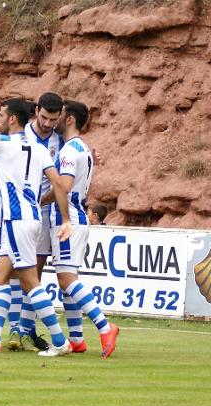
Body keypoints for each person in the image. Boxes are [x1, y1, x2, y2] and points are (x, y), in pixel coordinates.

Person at [0, 89, 74, 357]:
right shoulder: (40, 149)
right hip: (30, 219)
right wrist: (65, 219)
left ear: (12, 120)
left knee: (30, 283)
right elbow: (57, 183)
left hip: (16, 220)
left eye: (0, 115)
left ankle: (60, 341)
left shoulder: (1, 142)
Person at [42, 100, 119, 358]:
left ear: (70, 119)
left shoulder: (68, 152)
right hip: (77, 217)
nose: (56, 118)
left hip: (69, 220)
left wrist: (38, 199)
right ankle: (76, 339)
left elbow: (63, 186)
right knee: (67, 280)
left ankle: (105, 326)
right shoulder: (80, 148)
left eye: (60, 114)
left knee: (66, 279)